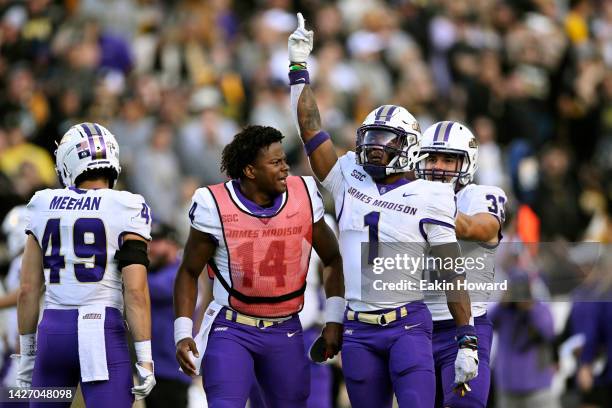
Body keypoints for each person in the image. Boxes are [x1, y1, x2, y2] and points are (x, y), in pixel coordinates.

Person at [288, 14, 476, 408]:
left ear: (408, 146)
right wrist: (298, 68)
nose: (374, 148)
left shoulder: (432, 193)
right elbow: (309, 128)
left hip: (407, 323)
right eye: (370, 139)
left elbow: (449, 269)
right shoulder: (347, 176)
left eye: (384, 141)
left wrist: (466, 338)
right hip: (358, 328)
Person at [173, 125, 345, 408]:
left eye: (284, 161)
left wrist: (335, 319)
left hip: (285, 327)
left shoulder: (303, 193)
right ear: (250, 171)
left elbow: (332, 259)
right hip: (232, 327)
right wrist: (183, 332)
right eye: (275, 162)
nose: (285, 169)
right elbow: (189, 271)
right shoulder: (213, 204)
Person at [16, 123, 155, 407]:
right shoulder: (126, 205)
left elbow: (28, 289)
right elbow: (136, 291)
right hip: (101, 333)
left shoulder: (43, 203)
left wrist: (28, 354)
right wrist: (145, 357)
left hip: (52, 334)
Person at [416, 121, 507, 407]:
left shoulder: (480, 196)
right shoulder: (406, 195)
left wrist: (418, 207)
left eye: (448, 159)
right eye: (431, 158)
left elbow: (478, 228)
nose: (438, 166)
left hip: (467, 324)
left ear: (467, 163)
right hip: (415, 326)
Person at [145, 223, 191, 408]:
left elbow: (148, 288)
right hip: (154, 368)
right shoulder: (157, 272)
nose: (150, 248)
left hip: (172, 370)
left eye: (157, 241)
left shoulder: (180, 274)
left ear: (173, 244)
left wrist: (130, 271)